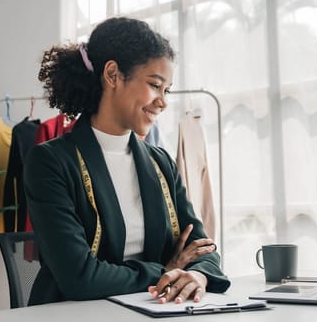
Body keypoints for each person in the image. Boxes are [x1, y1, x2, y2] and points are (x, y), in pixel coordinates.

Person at [24, 17, 230, 305]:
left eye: (166, 90)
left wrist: (198, 276)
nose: (163, 101)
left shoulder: (161, 163)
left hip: (151, 310)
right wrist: (166, 270)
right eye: (155, 85)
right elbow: (79, 277)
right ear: (112, 75)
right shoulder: (50, 162)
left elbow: (204, 249)